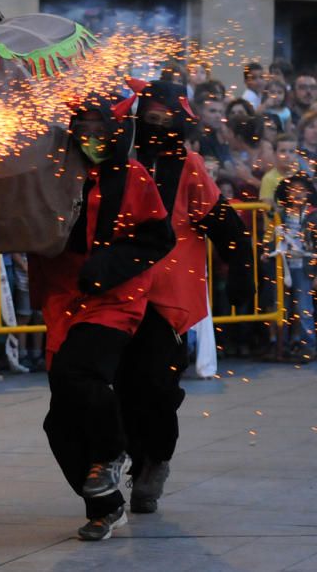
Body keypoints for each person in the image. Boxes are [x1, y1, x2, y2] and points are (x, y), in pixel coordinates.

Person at [29, 95, 173, 541]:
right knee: (59, 422)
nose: (90, 137)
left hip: (114, 299)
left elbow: (157, 236)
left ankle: (114, 453)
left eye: (99, 127)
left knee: (80, 373)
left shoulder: (132, 176)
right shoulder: (51, 173)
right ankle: (105, 506)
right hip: (62, 302)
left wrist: (107, 265)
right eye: (82, 127)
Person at [122, 79, 254, 515]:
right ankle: (133, 458)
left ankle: (155, 460)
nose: (157, 121)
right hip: (116, 292)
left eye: (165, 114)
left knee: (157, 387)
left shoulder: (188, 165)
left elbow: (223, 222)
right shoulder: (118, 156)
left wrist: (242, 274)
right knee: (118, 385)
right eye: (151, 113)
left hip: (165, 299)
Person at [270, 174, 317, 364]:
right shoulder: (281, 214)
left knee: (304, 307)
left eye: (301, 190)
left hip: (304, 268)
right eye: (292, 190)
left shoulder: (313, 215)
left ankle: (309, 345)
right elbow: (272, 239)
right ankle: (285, 345)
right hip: (283, 267)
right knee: (282, 306)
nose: (297, 194)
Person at [260, 133, 300, 205]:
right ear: (275, 153)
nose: (287, 156)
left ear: (296, 154)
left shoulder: (301, 177)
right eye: (283, 151)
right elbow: (268, 209)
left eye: (291, 151)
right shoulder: (268, 179)